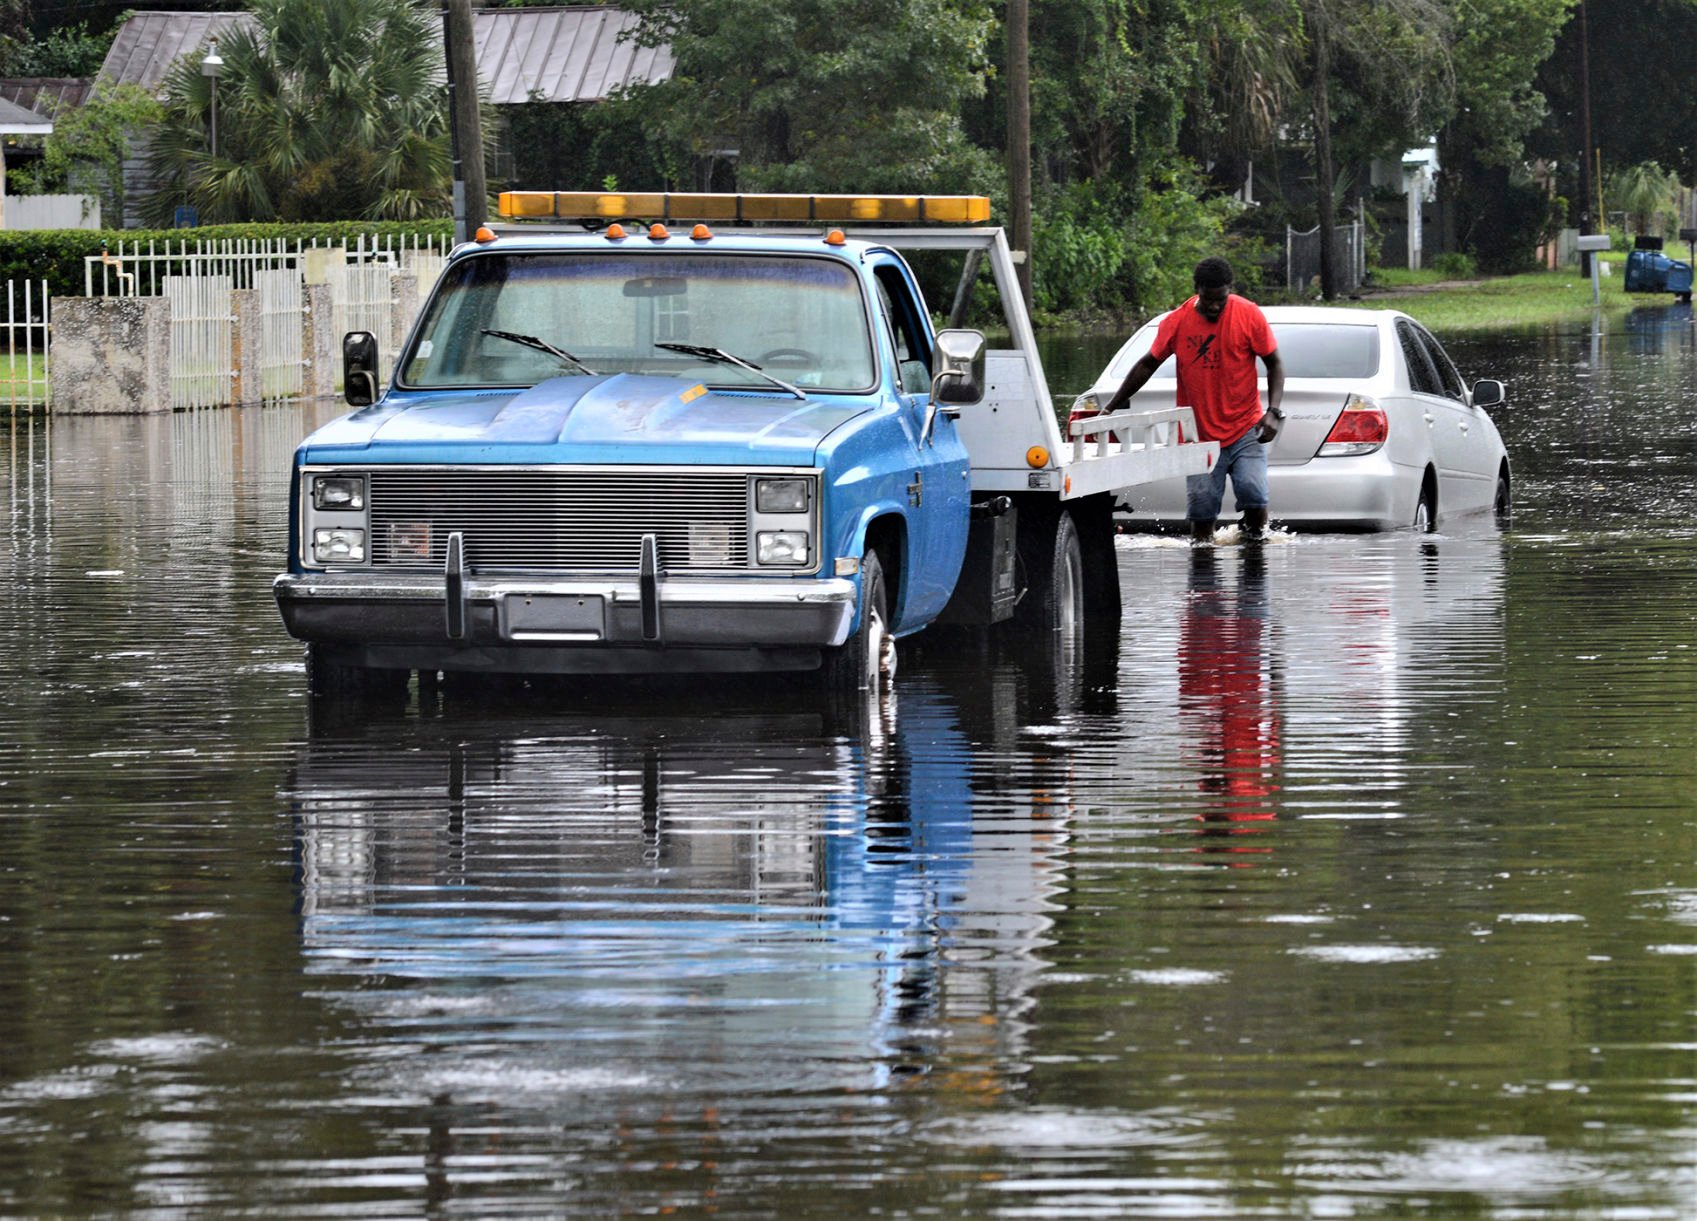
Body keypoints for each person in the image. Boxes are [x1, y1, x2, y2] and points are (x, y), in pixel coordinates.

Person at [1100, 256, 1285, 544]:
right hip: (1198, 433)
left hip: (1245, 425)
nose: (1214, 306)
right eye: (1208, 299)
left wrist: (1273, 411)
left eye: (1220, 300)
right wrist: (1111, 406)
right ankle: (1202, 574)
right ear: (1196, 289)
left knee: (1254, 493)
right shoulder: (1176, 322)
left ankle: (1255, 551)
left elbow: (1274, 363)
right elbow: (1147, 364)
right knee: (1201, 510)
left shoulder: (1248, 314)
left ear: (1229, 290)